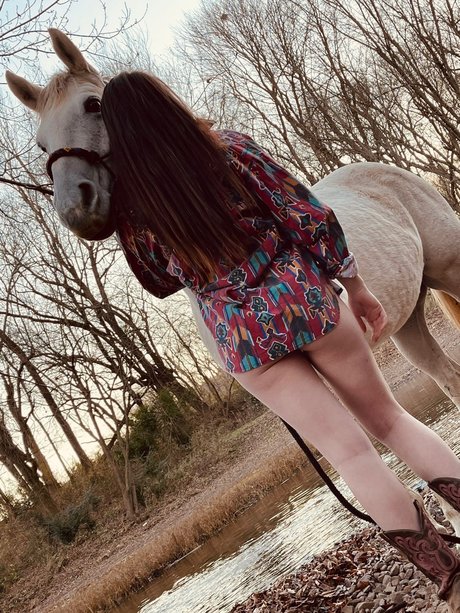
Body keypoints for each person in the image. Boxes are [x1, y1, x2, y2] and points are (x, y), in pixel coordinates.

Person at [100, 71, 460, 610]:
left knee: (351, 456)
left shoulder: (133, 212)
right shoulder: (230, 150)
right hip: (303, 300)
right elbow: (309, 216)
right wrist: (355, 285)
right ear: (169, 106)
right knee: (388, 421)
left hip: (244, 341)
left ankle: (450, 580)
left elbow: (158, 280)